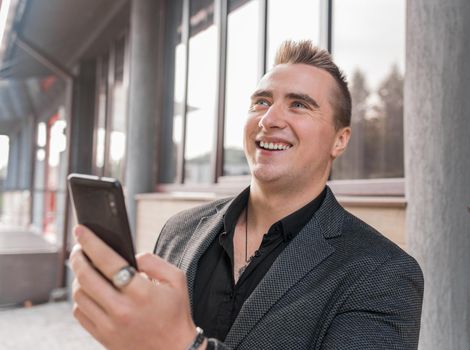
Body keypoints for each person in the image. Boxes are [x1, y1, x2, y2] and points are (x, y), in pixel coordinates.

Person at [70, 40, 424, 350]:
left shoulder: (383, 274)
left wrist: (183, 345)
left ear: (340, 139)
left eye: (298, 105)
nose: (269, 118)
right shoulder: (179, 230)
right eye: (261, 102)